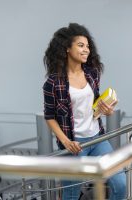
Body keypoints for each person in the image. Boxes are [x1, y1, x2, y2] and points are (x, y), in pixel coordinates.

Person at [43, 23, 126, 200]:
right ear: (67, 48)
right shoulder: (53, 82)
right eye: (81, 45)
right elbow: (49, 117)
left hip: (97, 138)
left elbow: (93, 105)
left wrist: (106, 109)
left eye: (88, 46)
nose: (86, 50)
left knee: (120, 183)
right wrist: (65, 141)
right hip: (74, 145)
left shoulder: (92, 73)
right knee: (71, 194)